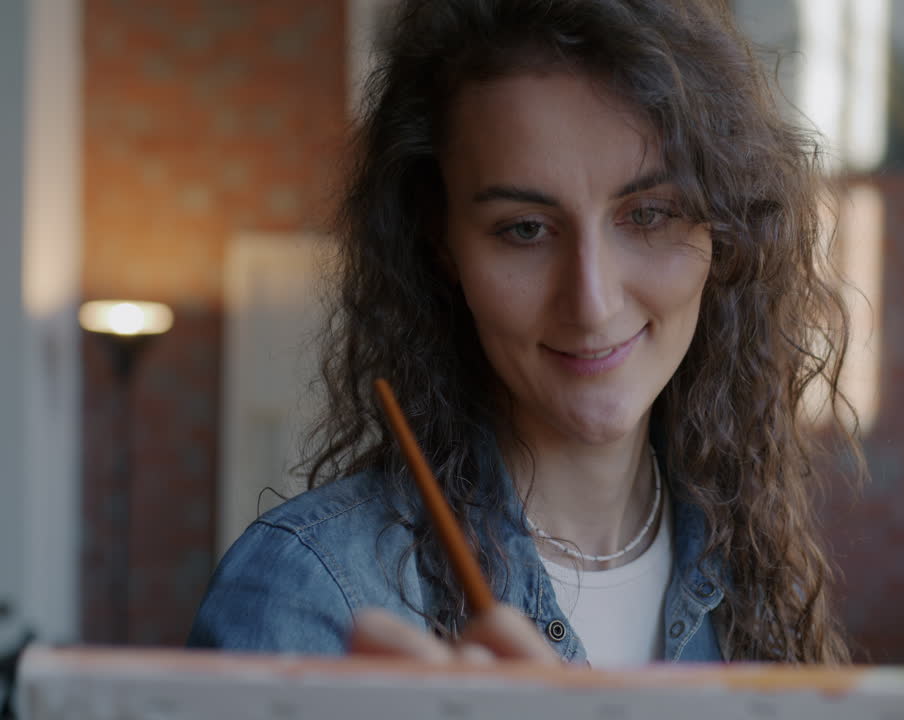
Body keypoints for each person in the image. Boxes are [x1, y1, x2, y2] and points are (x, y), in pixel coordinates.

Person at [189, 0, 861, 666]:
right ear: (442, 243)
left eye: (650, 214)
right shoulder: (310, 595)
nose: (592, 303)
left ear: (725, 229)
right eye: (524, 229)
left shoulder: (755, 563)